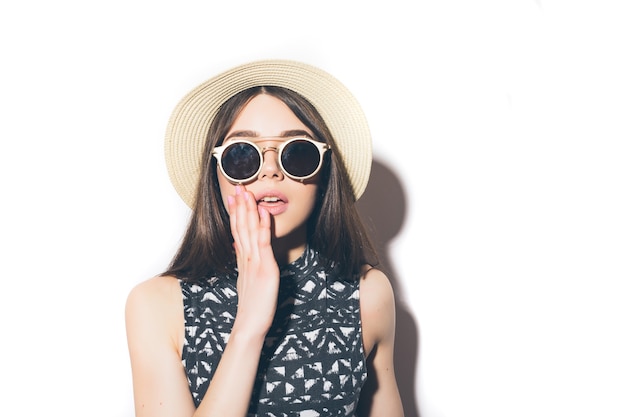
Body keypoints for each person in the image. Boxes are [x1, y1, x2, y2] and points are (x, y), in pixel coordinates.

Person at [125, 59, 405, 417]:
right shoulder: (157, 305)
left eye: (296, 154)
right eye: (243, 155)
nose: (271, 170)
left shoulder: (367, 294)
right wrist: (250, 325)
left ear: (323, 177)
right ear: (216, 176)